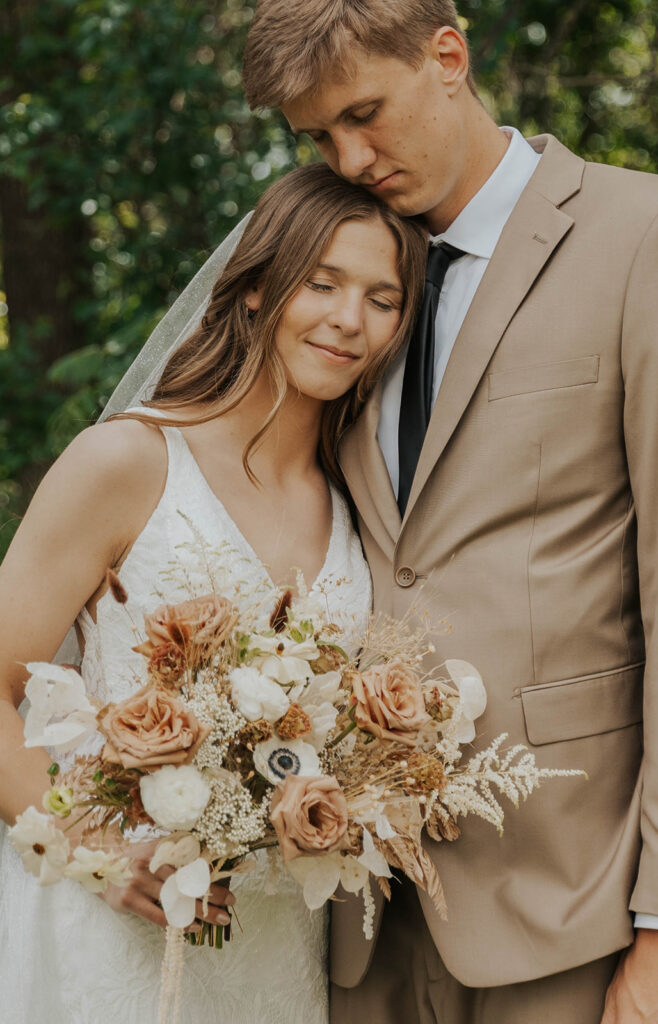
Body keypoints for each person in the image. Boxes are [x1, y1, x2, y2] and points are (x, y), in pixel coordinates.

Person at [239, 2, 658, 1022]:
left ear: (448, 56)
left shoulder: (646, 233)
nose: (349, 159)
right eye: (317, 138)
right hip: (354, 902)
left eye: (365, 114)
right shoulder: (346, 276)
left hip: (575, 901)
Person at [0, 162, 428, 1023]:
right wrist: (100, 854)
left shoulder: (360, 502)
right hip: (111, 925)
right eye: (322, 283)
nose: (350, 320)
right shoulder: (128, 461)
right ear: (257, 291)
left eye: (383, 299)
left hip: (273, 939)